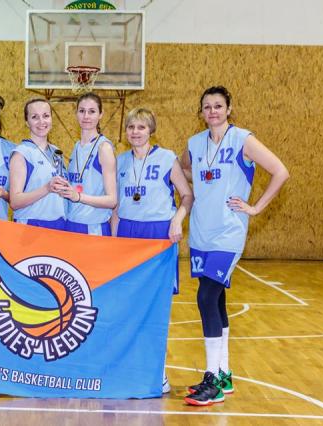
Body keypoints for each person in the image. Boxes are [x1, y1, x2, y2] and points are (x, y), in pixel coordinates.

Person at [180, 86, 289, 406]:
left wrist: (255, 208)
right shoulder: (195, 143)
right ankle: (224, 373)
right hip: (201, 231)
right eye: (207, 106)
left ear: (228, 109)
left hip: (228, 232)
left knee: (205, 296)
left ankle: (212, 380)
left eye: (218, 106)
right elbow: (183, 168)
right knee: (217, 298)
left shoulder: (243, 139)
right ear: (201, 112)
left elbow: (281, 171)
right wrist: (198, 185)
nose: (212, 111)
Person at [110, 107, 193, 394]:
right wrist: (114, 237)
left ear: (151, 130)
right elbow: (115, 205)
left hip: (158, 234)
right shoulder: (120, 161)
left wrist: (177, 220)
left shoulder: (167, 158)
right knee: (128, 304)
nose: (135, 132)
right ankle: (128, 367)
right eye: (131, 127)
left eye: (141, 127)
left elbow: (187, 195)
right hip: (128, 233)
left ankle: (158, 371)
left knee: (156, 307)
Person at [59, 92, 117, 235]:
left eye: (92, 111)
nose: (86, 116)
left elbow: (112, 200)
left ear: (100, 114)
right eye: (82, 111)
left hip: (93, 227)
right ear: (76, 113)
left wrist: (79, 197)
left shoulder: (104, 148)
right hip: (71, 223)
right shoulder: (77, 146)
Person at [9, 98, 68, 230]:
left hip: (58, 224)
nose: (41, 121)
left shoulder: (56, 152)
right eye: (35, 117)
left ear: (51, 119)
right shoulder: (21, 154)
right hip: (32, 225)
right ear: (27, 122)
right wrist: (47, 188)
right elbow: (15, 202)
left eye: (46, 116)